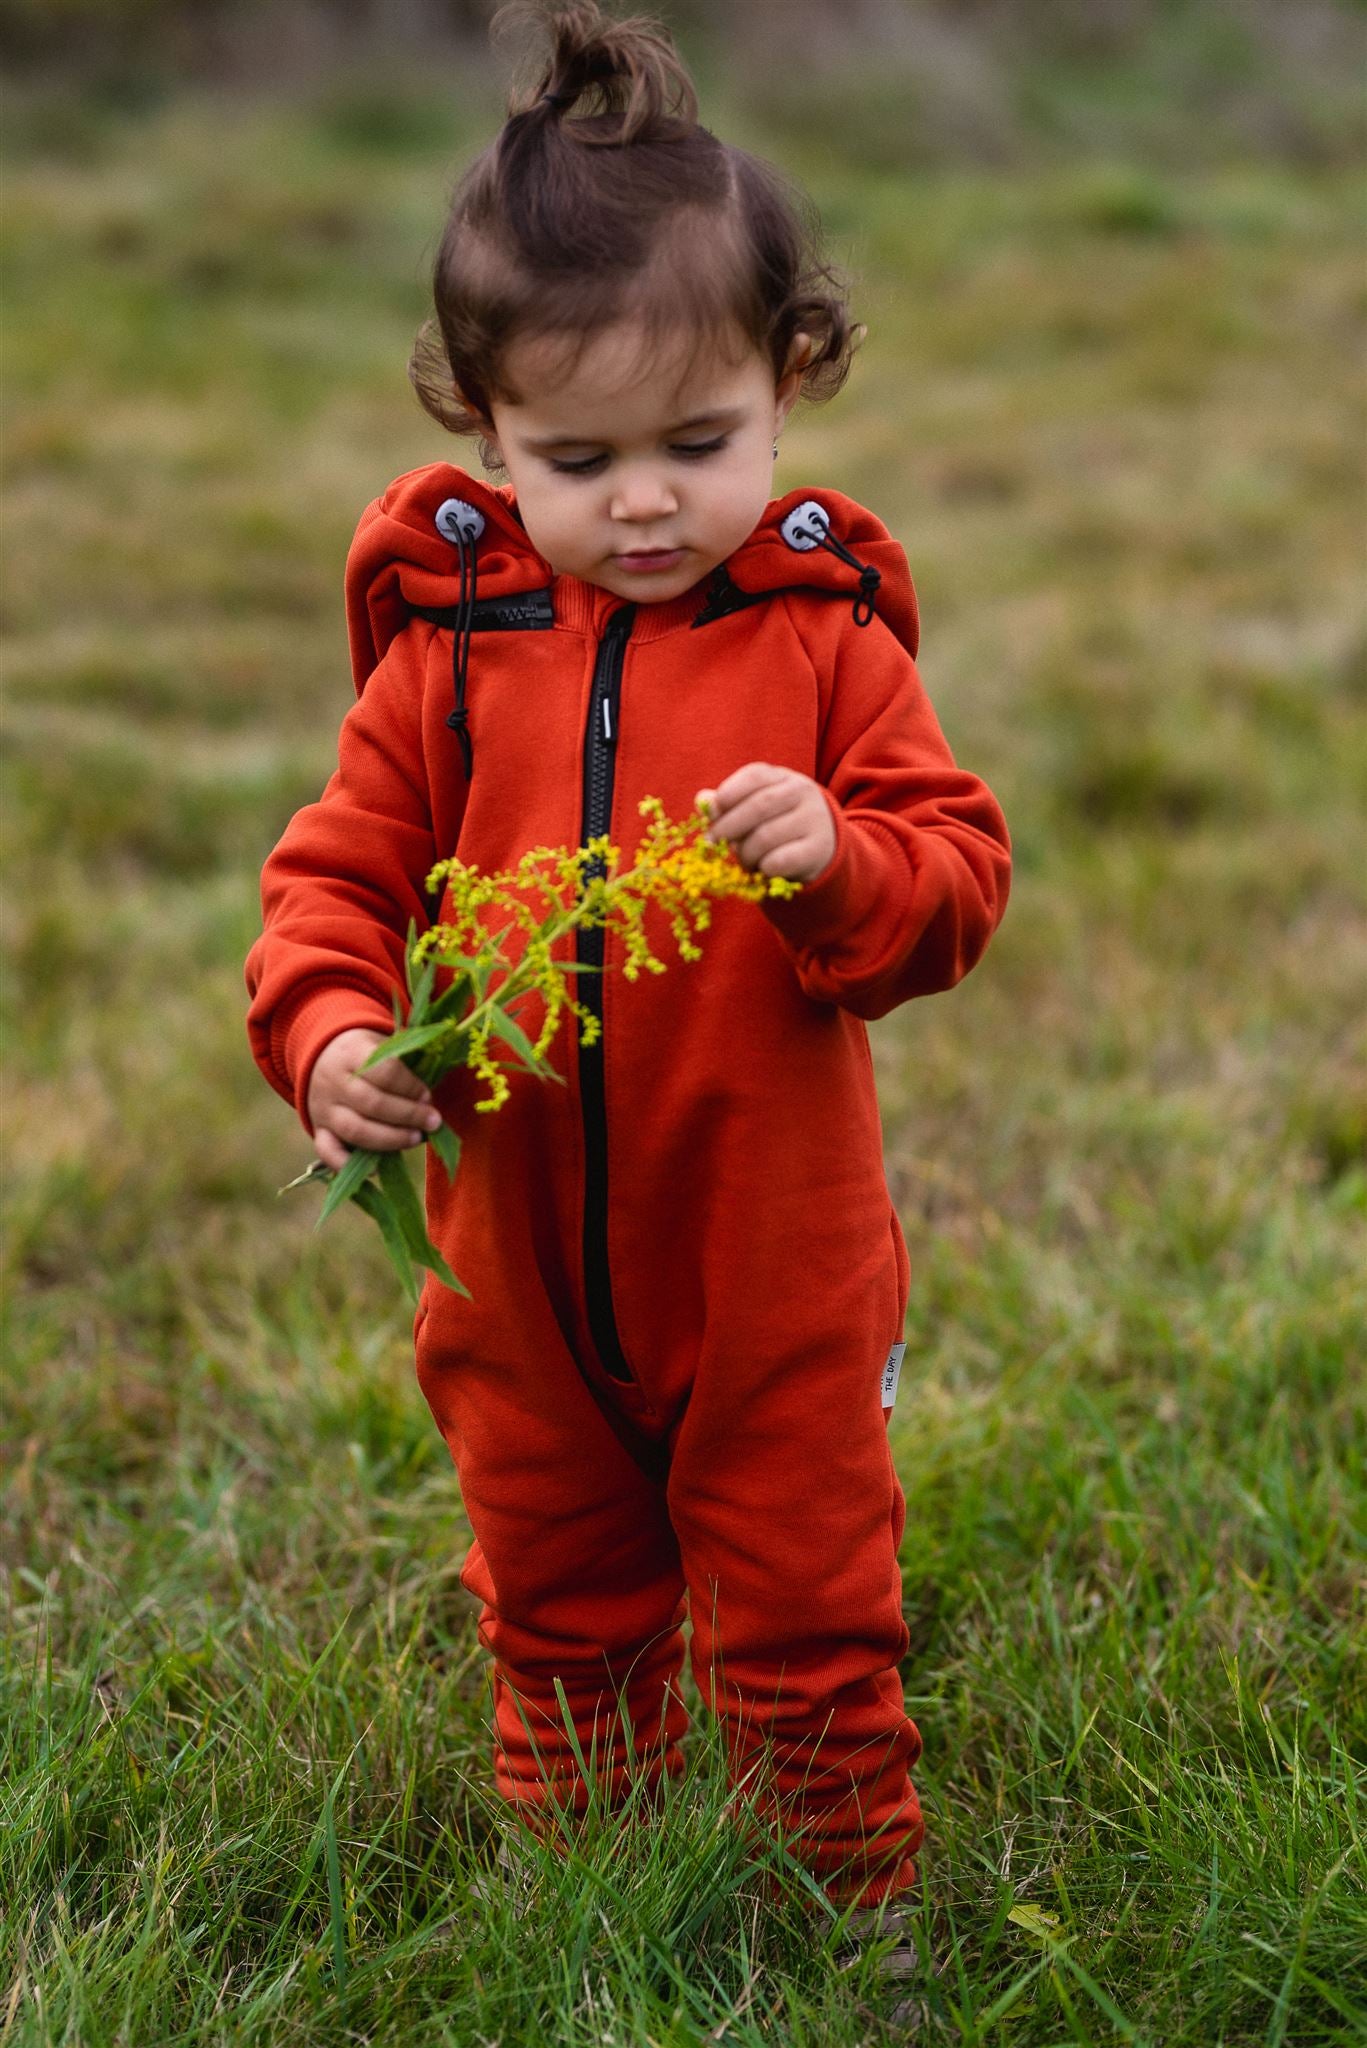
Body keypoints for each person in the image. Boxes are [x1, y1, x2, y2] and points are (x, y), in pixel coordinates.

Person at [245, 0, 1010, 1909]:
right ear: (481, 434)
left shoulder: (828, 646)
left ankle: (859, 1905)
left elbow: (956, 883)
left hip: (769, 1250)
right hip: (514, 1263)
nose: (647, 500)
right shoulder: (441, 663)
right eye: (577, 459)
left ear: (793, 383)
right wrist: (333, 1033)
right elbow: (331, 886)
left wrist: (839, 860)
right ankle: (592, 1891)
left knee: (806, 1585)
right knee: (557, 1589)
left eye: (699, 440)